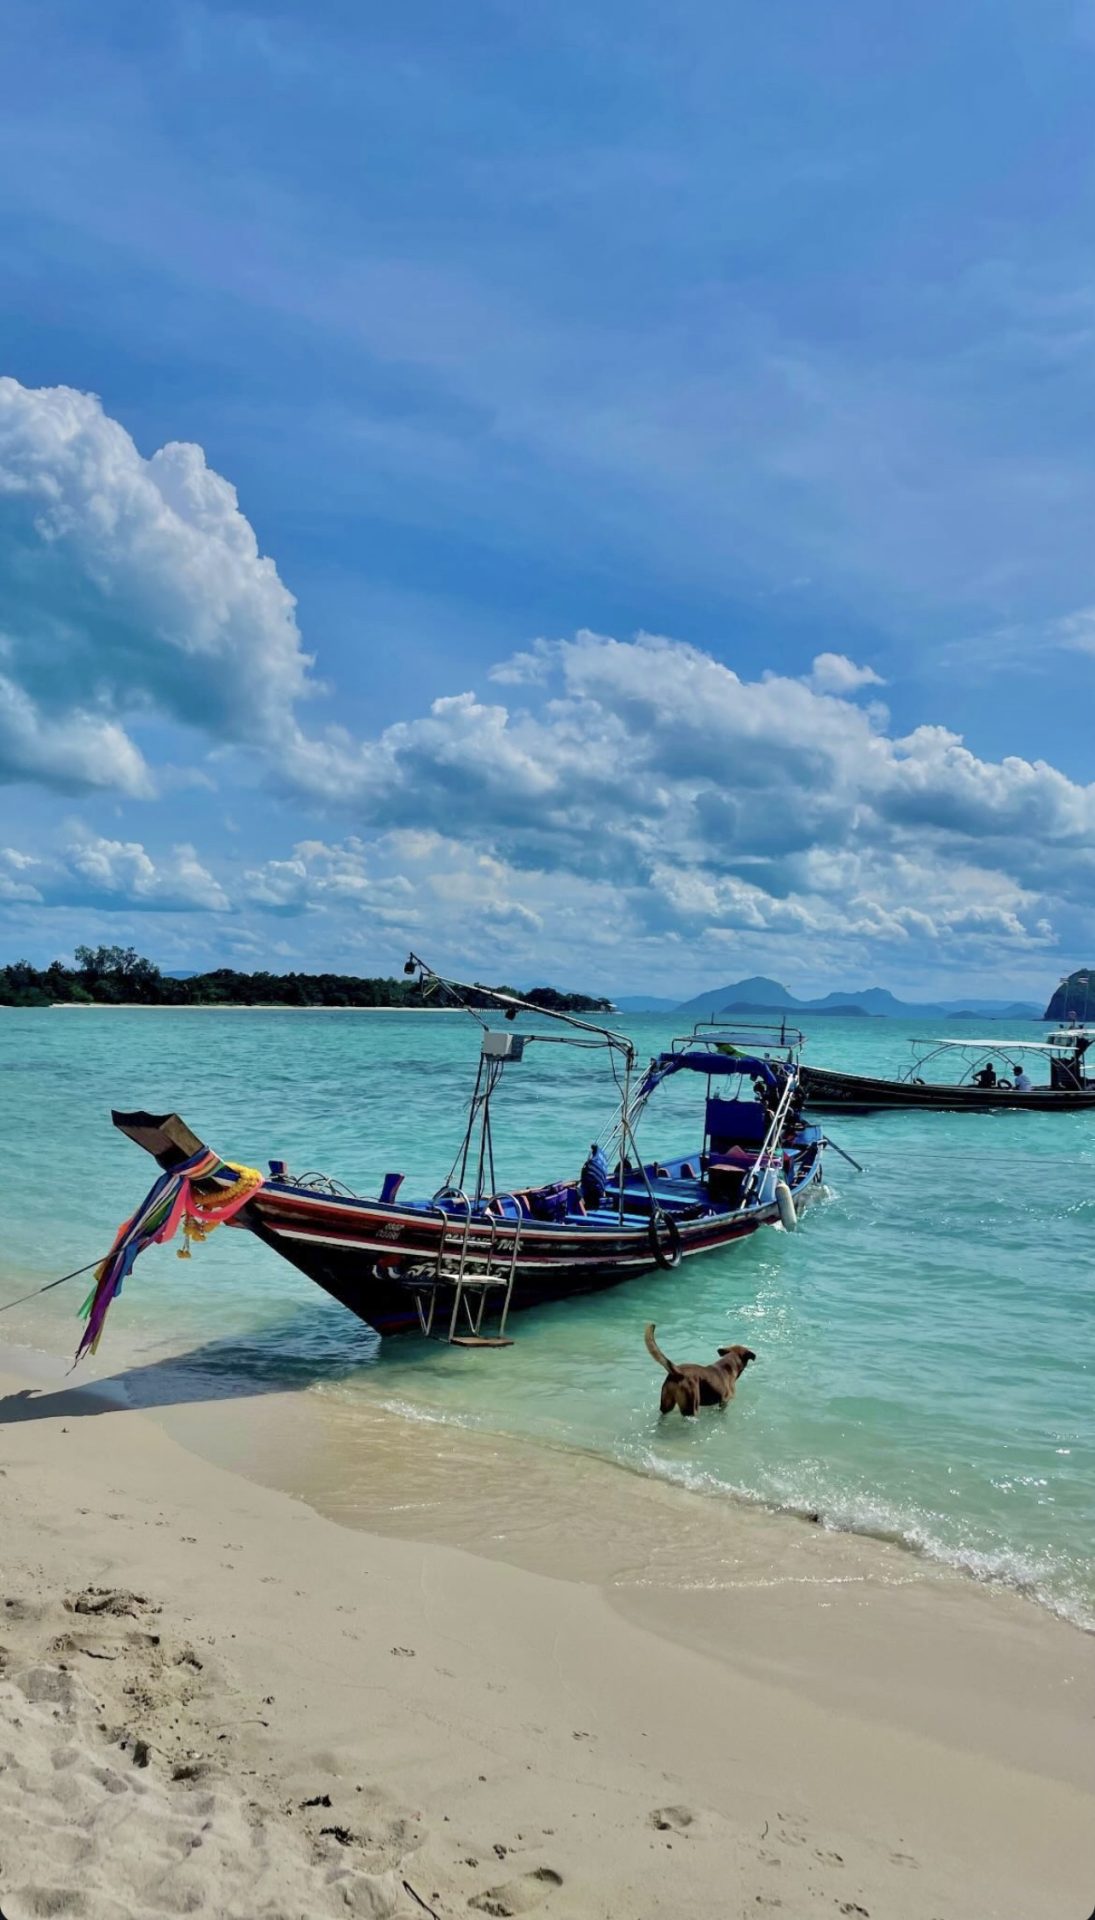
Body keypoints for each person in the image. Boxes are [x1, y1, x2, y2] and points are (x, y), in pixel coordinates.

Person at [579, 1142, 609, 1209]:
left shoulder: (589, 1166)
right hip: (598, 1193)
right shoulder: (601, 1164)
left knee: (578, 1193)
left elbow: (583, 1182)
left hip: (592, 1195)